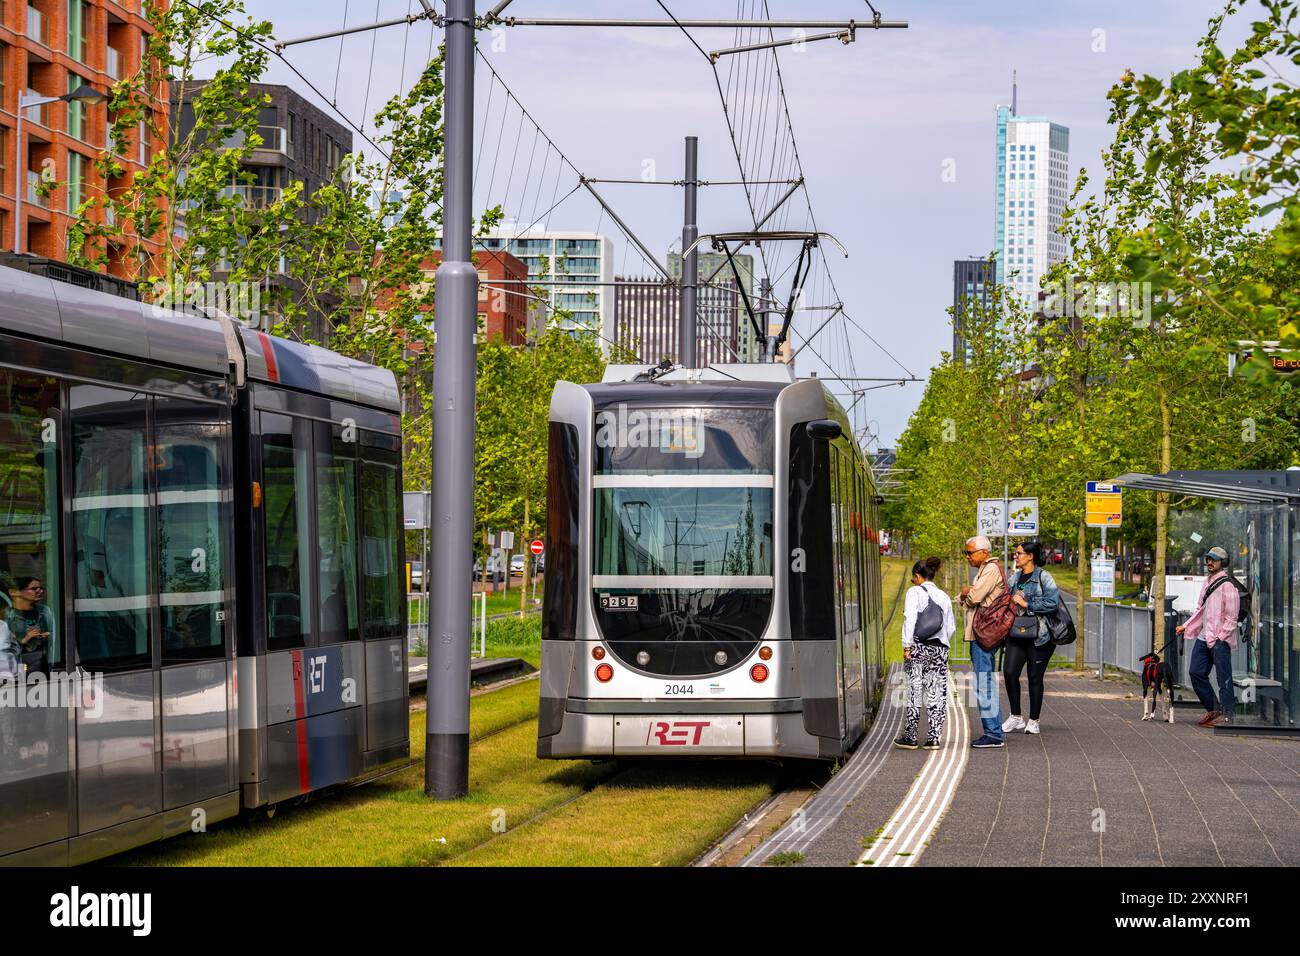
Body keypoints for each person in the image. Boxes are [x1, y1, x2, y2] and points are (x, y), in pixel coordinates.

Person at [895, 557, 956, 750]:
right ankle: (933, 738)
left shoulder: (914, 592)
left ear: (917, 576)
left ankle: (911, 737)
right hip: (939, 648)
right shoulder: (944, 596)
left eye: (913, 578)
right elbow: (951, 627)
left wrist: (907, 645)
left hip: (918, 647)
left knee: (914, 691)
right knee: (936, 692)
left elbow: (910, 618)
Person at [1176, 546, 1240, 727]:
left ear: (1222, 563)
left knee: (1223, 679)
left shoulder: (1227, 584)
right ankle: (1214, 710)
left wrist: (1222, 637)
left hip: (1220, 640)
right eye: (1208, 559)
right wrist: (1186, 626)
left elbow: (1232, 616)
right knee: (1196, 673)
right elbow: (1200, 611)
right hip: (1204, 637)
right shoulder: (1207, 582)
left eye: (1214, 560)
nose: (1210, 562)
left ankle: (1229, 717)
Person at [1001, 540, 1059, 735]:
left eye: (1019, 553)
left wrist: (1028, 604)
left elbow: (1052, 603)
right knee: (1009, 672)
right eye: (1016, 553)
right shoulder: (1015, 578)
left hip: (1039, 637)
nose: (1016, 556)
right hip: (1016, 633)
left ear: (1030, 556)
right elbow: (1005, 599)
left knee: (1035, 677)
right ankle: (1016, 716)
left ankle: (1034, 720)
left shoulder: (1044, 577)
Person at [959, 535, 1006, 748]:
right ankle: (994, 730)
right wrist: (967, 593)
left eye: (970, 553)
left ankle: (994, 733)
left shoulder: (991, 569)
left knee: (983, 682)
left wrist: (966, 592)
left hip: (983, 634)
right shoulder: (986, 569)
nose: (967, 556)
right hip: (982, 633)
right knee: (984, 681)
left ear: (984, 552)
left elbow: (974, 597)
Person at [5, 576, 55, 677]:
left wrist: (44, 637)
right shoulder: (7, 615)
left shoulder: (44, 611)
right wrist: (25, 639)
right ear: (14, 592)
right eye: (34, 588)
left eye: (41, 588)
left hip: (41, 664)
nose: (39, 591)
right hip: (17, 666)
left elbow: (54, 640)